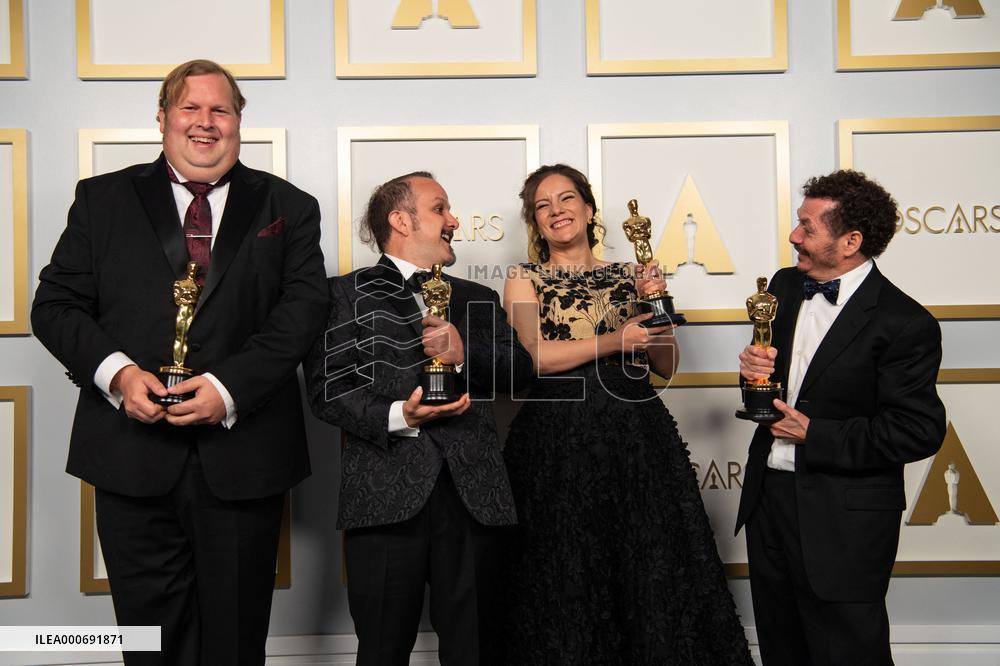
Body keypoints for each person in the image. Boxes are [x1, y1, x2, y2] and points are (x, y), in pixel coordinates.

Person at [31, 59, 329, 666]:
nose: (204, 122)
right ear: (163, 118)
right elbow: (55, 306)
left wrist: (229, 388)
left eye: (220, 110)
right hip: (129, 455)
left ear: (239, 121)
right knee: (149, 644)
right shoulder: (101, 199)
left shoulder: (290, 206)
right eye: (190, 108)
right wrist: (119, 375)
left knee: (235, 643)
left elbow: (303, 311)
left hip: (244, 456)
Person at [501, 163, 752, 665]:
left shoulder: (630, 275)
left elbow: (666, 365)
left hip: (636, 437)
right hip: (557, 441)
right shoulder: (523, 278)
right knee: (567, 568)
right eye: (543, 206)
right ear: (535, 222)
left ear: (588, 208)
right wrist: (616, 340)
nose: (556, 211)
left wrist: (657, 305)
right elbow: (533, 357)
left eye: (566, 199)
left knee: (647, 564)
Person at [304, 172, 534, 665]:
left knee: (477, 651)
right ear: (401, 220)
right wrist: (399, 415)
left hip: (475, 501)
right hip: (384, 499)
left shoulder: (479, 296)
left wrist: (463, 354)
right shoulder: (342, 294)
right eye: (440, 209)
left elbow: (521, 373)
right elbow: (328, 391)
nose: (454, 221)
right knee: (382, 651)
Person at [735, 170, 946, 666]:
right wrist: (752, 373)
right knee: (782, 649)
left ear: (851, 241)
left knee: (848, 653)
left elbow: (918, 430)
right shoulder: (785, 286)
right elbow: (776, 391)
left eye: (807, 227)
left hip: (844, 518)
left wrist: (815, 434)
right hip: (770, 501)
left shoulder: (904, 322)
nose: (794, 236)